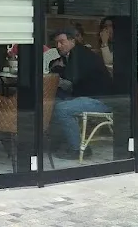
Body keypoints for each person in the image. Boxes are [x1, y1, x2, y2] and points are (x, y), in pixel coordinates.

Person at [48, 28, 113, 156]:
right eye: (56, 43)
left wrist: (57, 70)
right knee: (52, 102)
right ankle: (60, 142)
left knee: (62, 109)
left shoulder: (81, 55)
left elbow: (71, 81)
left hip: (100, 100)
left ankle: (76, 149)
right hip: (84, 95)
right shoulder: (72, 54)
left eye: (62, 42)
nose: (58, 46)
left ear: (72, 41)